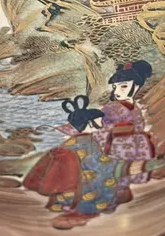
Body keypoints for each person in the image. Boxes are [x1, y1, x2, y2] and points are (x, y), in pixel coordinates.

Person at [23, 96, 129, 229]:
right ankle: (88, 209)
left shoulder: (72, 141)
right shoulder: (88, 142)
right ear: (89, 123)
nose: (101, 122)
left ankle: (69, 207)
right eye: (98, 120)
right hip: (82, 187)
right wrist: (118, 164)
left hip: (68, 187)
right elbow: (98, 164)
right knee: (103, 178)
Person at [102, 60, 155, 185]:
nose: (117, 91)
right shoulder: (109, 109)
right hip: (119, 147)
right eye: (115, 87)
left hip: (139, 146)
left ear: (136, 86)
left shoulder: (136, 108)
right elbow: (103, 130)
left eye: (123, 86)